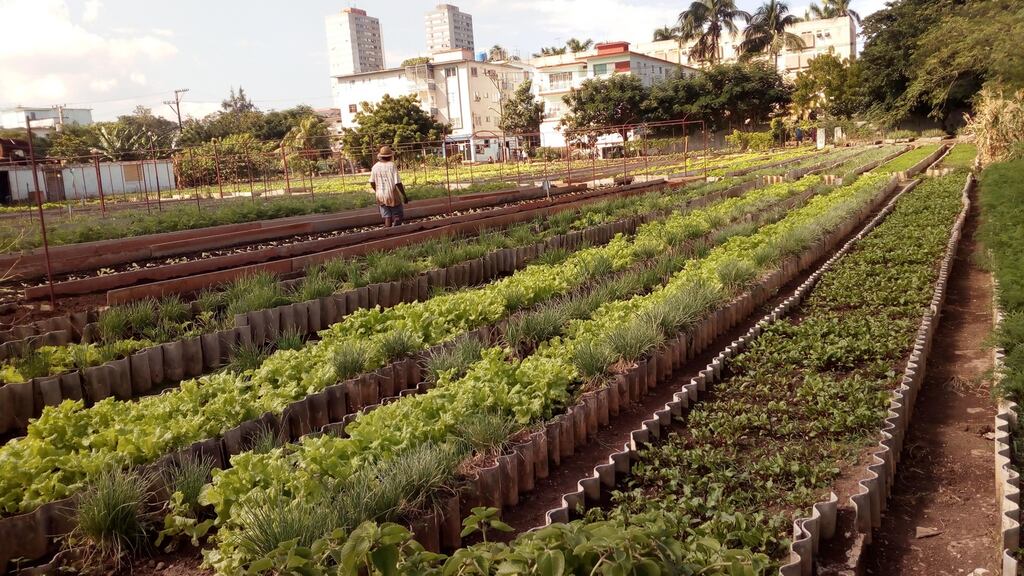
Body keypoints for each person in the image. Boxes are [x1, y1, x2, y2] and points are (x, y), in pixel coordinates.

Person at [368, 146, 409, 227]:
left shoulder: (375, 167)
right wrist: (404, 195)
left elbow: (372, 182)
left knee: (387, 216)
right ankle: (396, 231)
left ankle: (388, 233)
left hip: (380, 195)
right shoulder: (392, 165)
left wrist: (377, 190)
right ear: (390, 156)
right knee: (398, 215)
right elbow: (397, 182)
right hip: (391, 194)